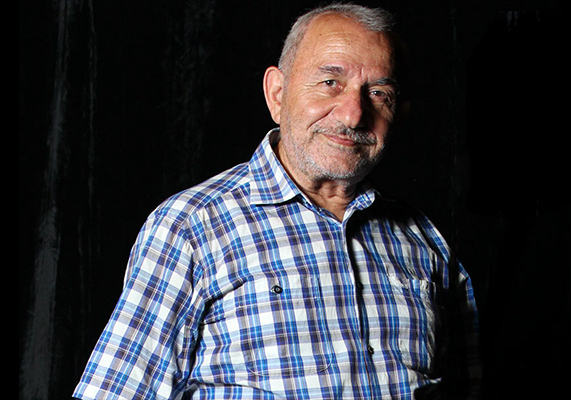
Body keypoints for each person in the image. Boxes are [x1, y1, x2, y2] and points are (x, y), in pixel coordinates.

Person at [73, 3, 480, 399]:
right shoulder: (192, 227)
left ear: (398, 113)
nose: (353, 115)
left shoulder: (425, 241)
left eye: (378, 93)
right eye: (330, 83)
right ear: (277, 94)